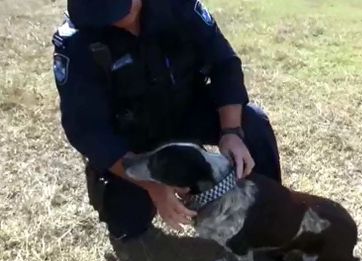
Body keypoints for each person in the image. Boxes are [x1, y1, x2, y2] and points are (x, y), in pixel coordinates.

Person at [52, 0, 282, 240]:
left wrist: (232, 131)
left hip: (186, 111)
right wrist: (152, 186)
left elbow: (224, 64)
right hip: (134, 140)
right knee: (128, 219)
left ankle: (270, 213)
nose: (113, 19)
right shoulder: (77, 41)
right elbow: (89, 130)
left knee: (253, 124)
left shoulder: (178, 6)